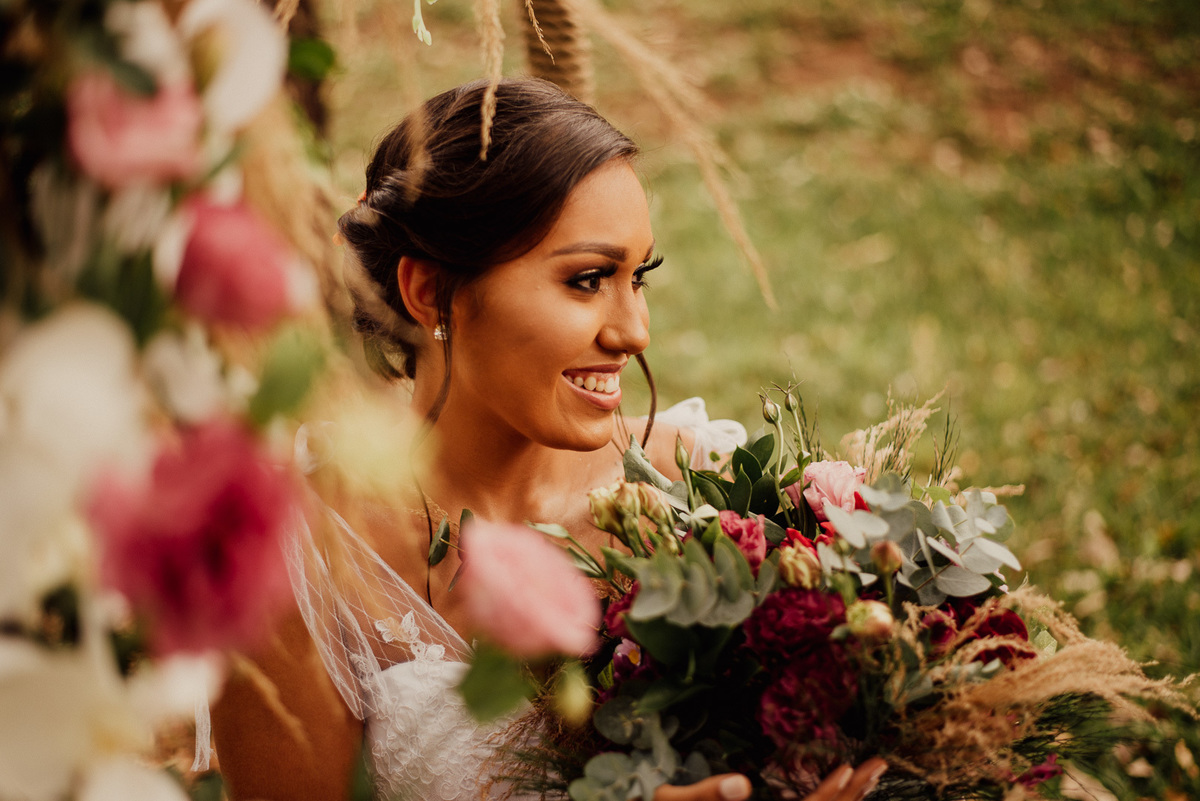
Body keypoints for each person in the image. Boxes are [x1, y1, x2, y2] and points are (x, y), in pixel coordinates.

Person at [210, 77, 887, 801]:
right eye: (589, 279)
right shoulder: (301, 557)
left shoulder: (705, 498)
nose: (634, 331)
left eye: (639, 277)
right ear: (428, 291)